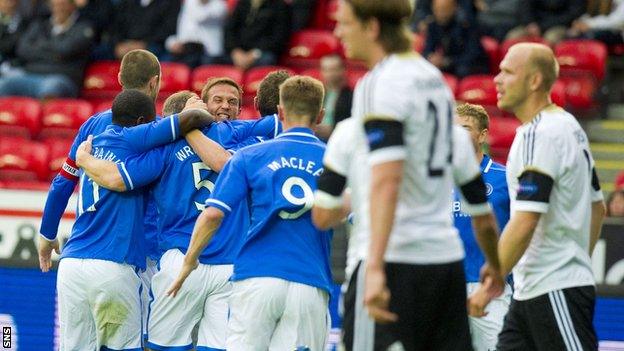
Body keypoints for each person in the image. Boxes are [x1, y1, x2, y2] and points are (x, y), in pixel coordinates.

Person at [331, 1, 504, 349]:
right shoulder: (434, 80)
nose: (337, 32)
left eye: (346, 23)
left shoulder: (380, 82)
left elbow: (387, 178)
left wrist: (375, 267)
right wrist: (496, 267)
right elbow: (478, 204)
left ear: (373, 27)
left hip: (396, 259)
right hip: (445, 262)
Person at [73, 73, 288, 350]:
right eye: (218, 100)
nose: (225, 106)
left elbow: (117, 178)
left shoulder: (167, 148)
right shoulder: (247, 142)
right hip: (216, 261)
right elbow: (285, 121)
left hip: (193, 261)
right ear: (201, 104)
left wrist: (83, 160)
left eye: (233, 102)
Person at [167, 76, 331, 351]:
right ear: (321, 114)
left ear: (280, 112)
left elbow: (212, 215)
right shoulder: (334, 160)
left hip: (257, 275)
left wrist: (188, 263)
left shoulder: (251, 156)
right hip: (310, 279)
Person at [53, 89, 215, 350]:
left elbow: (61, 182)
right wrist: (198, 109)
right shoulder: (134, 139)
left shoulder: (96, 143)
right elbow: (192, 118)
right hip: (112, 264)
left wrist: (82, 158)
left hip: (71, 265)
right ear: (142, 123)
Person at [477, 42, 606, 350]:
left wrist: (490, 282)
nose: (496, 79)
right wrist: (575, 263)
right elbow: (597, 207)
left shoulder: (540, 134)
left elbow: (525, 221)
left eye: (507, 71)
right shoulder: (567, 126)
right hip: (532, 292)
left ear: (534, 81)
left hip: (553, 290)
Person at [37, 49, 163, 343]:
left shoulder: (92, 126)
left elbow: (62, 183)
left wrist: (47, 233)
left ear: (119, 78)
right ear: (155, 82)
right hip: (125, 260)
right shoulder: (154, 132)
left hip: (73, 261)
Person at [454, 103, 512, 351]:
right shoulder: (438, 178)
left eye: (465, 128)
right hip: (446, 285)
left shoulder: (505, 178)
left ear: (483, 134)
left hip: (488, 287)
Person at [0, 0, 94, 98]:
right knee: (3, 84)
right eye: (55, 4)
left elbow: (65, 50)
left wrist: (38, 48)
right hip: (30, 74)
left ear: (73, 5)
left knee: (51, 88)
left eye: (63, 4)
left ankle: (49, 113)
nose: (59, 8)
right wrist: (55, 53)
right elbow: (22, 49)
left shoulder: (84, 27)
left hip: (62, 77)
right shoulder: (40, 25)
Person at [423, 0, 490, 78]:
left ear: (454, 8)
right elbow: (427, 49)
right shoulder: (433, 24)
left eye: (444, 10)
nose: (440, 14)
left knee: (462, 70)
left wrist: (447, 62)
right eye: (437, 10)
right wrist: (431, 57)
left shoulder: (466, 24)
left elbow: (472, 54)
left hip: (471, 66)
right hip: (449, 64)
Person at [224, 0, 291, 69]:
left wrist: (254, 53)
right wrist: (235, 51)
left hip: (263, 52)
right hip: (239, 52)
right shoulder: (243, 3)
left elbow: (279, 37)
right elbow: (230, 30)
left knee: (266, 60)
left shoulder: (280, 6)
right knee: (215, 60)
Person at [165, 0, 228, 67]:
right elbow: (182, 31)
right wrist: (172, 43)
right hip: (186, 50)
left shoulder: (219, 5)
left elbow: (201, 17)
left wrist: (201, 3)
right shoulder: (188, 3)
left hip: (209, 53)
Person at [316, 54, 353, 140]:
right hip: (316, 136)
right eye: (326, 70)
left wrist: (333, 129)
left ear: (343, 70)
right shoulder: (315, 95)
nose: (330, 74)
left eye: (333, 69)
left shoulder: (351, 96)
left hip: (340, 138)